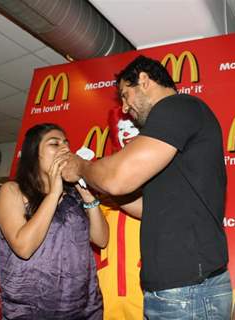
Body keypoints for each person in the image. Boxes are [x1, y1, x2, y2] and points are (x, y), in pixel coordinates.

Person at [62, 55, 232, 319]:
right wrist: (90, 186)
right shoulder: (178, 130)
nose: (125, 107)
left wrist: (81, 167)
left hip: (187, 291)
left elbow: (118, 178)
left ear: (143, 80)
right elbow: (146, 208)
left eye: (125, 95)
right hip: (179, 289)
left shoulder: (176, 107)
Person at [0, 123, 108, 319]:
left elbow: (101, 240)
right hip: (31, 310)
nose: (65, 149)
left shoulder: (74, 195)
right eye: (54, 144)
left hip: (83, 308)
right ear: (33, 154)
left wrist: (88, 196)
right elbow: (23, 247)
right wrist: (54, 192)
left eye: (66, 143)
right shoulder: (12, 191)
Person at [97, 107, 143, 319]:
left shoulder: (163, 170)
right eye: (121, 128)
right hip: (110, 282)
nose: (126, 133)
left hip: (146, 282)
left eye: (132, 126)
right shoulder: (104, 175)